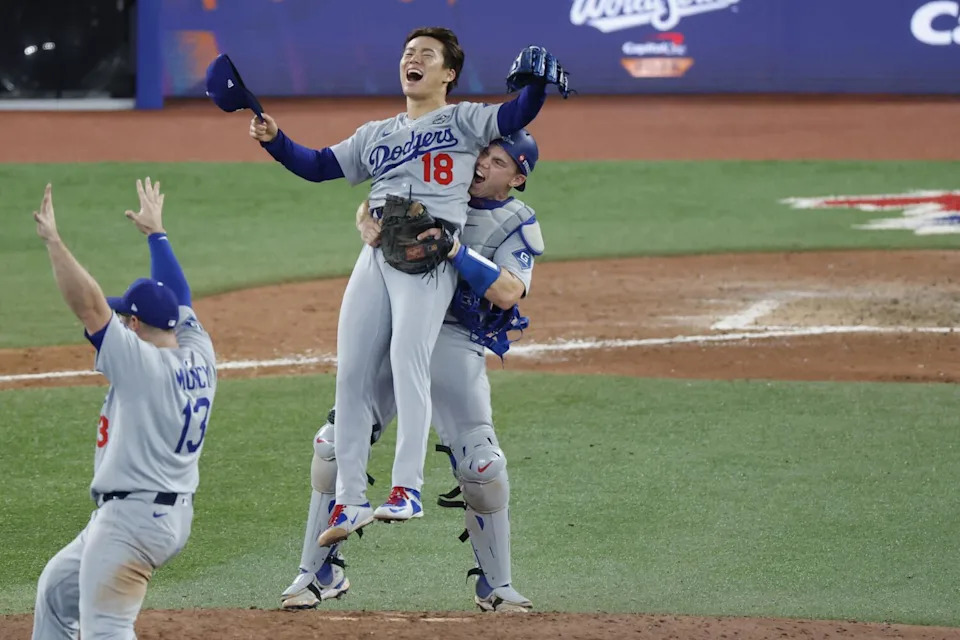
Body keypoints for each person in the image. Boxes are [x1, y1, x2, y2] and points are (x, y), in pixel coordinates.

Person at [249, 27, 566, 544]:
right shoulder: (376, 133)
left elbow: (515, 115)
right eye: (407, 53)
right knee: (350, 372)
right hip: (375, 256)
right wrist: (274, 141)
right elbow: (316, 165)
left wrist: (537, 87)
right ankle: (349, 501)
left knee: (406, 360)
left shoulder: (465, 120)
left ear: (448, 74)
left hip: (430, 258)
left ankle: (406, 489)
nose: (412, 60)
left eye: (426, 55)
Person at [280, 130, 543, 612]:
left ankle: (496, 586)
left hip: (453, 339)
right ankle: (315, 571)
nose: (483, 164)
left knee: (483, 468)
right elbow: (375, 205)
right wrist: (364, 221)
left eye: (499, 161)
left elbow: (508, 292)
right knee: (333, 445)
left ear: (517, 178)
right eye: (484, 152)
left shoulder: (515, 222)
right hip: (396, 323)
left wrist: (456, 251)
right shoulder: (436, 182)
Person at [30, 178, 217, 639]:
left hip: (132, 522)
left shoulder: (139, 365)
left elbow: (90, 306)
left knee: (105, 631)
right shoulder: (199, 352)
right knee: (57, 592)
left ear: (134, 323)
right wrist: (158, 235)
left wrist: (55, 242)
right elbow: (179, 297)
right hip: (164, 515)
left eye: (125, 317)